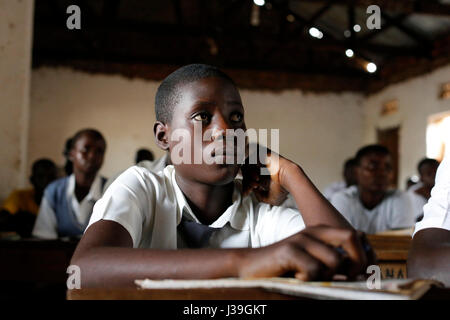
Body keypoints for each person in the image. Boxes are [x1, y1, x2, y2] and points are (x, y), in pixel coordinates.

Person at [70, 64, 372, 288]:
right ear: (164, 136)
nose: (226, 130)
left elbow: (348, 259)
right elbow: (86, 267)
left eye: (236, 117)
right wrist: (243, 262)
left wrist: (291, 174)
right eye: (202, 117)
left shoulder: (257, 210)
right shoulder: (142, 186)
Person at [32, 129, 107, 239]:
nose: (92, 156)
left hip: (101, 256)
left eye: (99, 151)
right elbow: (45, 237)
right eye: (86, 149)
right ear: (71, 154)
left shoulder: (111, 189)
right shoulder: (54, 191)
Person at [330, 144, 415, 234]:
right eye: (372, 167)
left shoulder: (400, 197)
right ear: (356, 172)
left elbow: (401, 240)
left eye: (387, 168)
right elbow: (340, 239)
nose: (382, 173)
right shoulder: (342, 199)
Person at [407, 154, 450, 286]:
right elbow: (426, 267)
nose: (432, 176)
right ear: (421, 177)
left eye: (434, 172)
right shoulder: (414, 193)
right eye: (428, 173)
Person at [0, 159, 58, 237]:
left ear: (58, 181)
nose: (45, 181)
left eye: (50, 177)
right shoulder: (19, 196)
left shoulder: (63, 201)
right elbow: (3, 219)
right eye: (40, 177)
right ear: (32, 179)